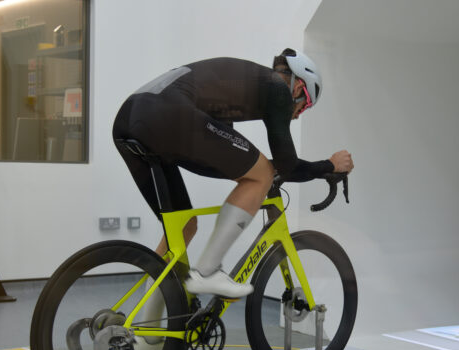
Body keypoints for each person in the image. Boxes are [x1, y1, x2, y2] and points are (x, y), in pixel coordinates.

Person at [113, 49, 354, 300]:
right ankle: (207, 272)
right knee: (261, 174)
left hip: (129, 119)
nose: (297, 114)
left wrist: (262, 170)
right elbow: (288, 166)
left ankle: (147, 334)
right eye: (304, 107)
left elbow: (219, 163)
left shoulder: (234, 90)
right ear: (298, 89)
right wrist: (329, 165)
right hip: (167, 114)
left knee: (183, 227)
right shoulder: (278, 89)